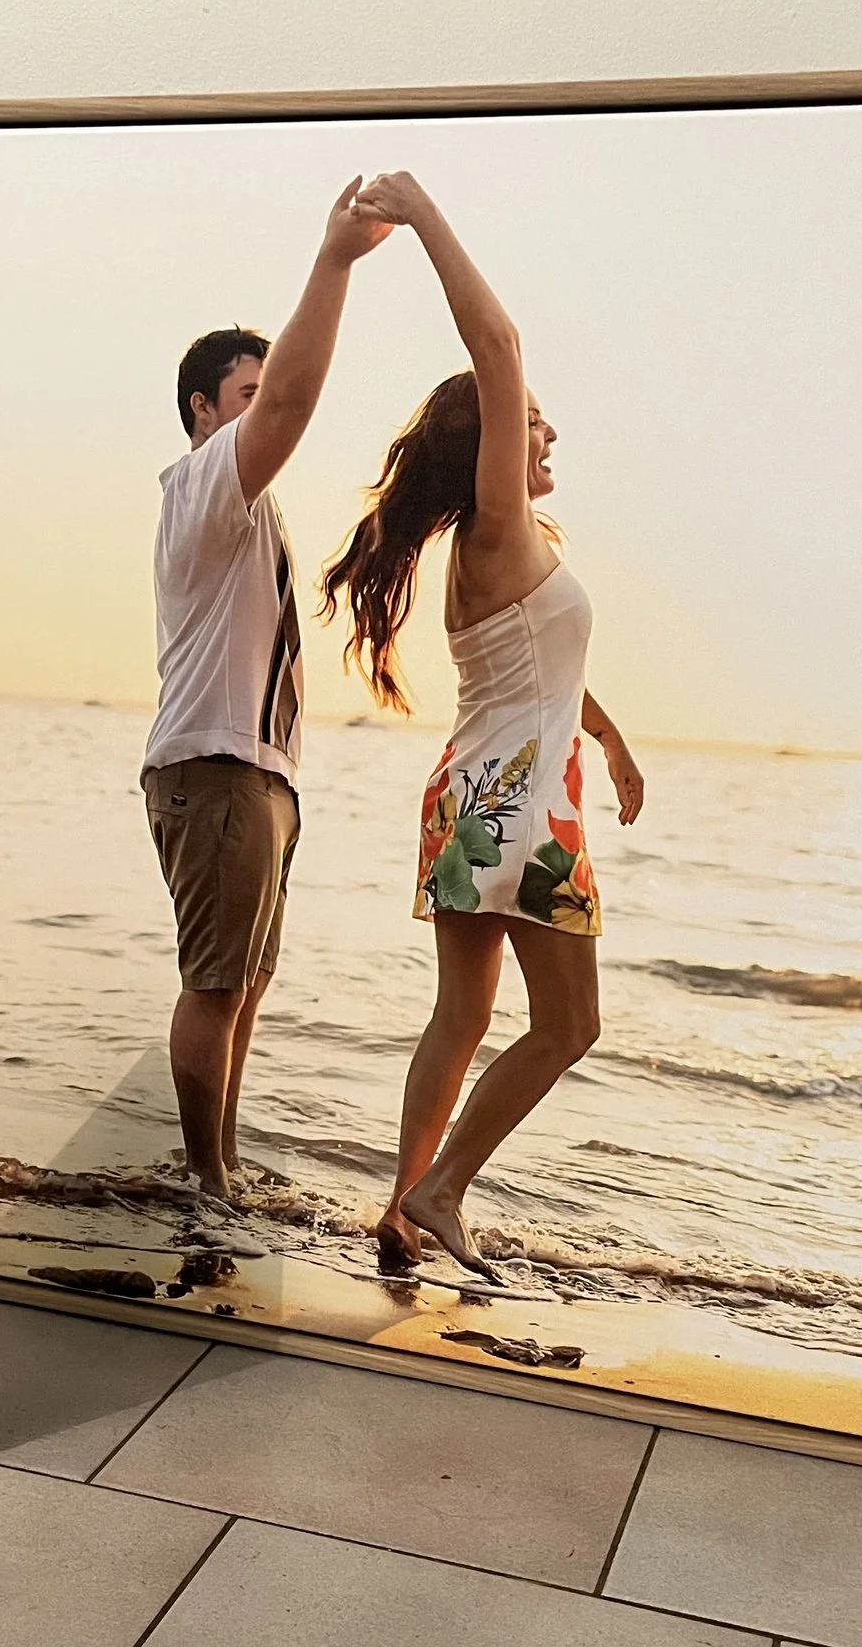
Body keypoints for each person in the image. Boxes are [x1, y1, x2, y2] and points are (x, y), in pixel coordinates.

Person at [319, 171, 647, 1281]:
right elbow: (497, 344)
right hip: (514, 809)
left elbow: (541, 666)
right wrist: (420, 215)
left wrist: (605, 734)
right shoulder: (499, 523)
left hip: (472, 798)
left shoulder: (500, 547)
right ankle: (444, 1188)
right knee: (567, 1027)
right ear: (494, 442)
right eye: (529, 420)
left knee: (461, 1018)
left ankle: (402, 1211)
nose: (545, 427)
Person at [143, 177, 394, 1204]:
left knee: (247, 983)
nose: (263, 410)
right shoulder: (205, 484)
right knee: (215, 982)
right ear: (205, 410)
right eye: (243, 396)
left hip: (258, 777)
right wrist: (334, 259)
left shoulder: (248, 508)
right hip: (217, 770)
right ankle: (207, 1180)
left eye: (258, 394)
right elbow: (292, 398)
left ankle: (221, 1169)